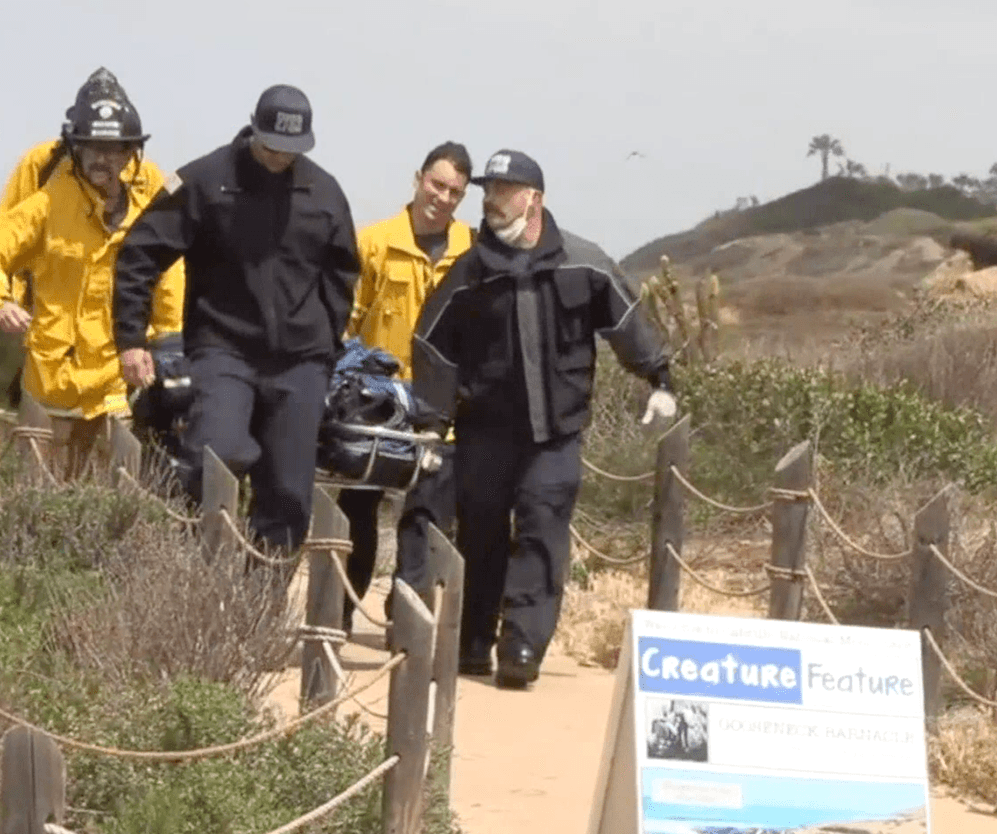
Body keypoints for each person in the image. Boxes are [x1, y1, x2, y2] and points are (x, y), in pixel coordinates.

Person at [413, 149, 677, 689]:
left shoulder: (584, 261)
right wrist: (432, 425)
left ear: (534, 199)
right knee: (481, 537)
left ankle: (522, 649)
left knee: (541, 531)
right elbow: (431, 343)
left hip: (556, 435)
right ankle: (472, 644)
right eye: (488, 191)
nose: (490, 200)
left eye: (503, 190)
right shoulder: (470, 272)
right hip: (485, 432)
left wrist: (660, 380)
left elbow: (628, 323)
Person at [113, 83, 361, 557]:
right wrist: (131, 338)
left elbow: (343, 273)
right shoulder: (206, 180)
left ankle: (258, 613)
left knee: (289, 492)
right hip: (223, 348)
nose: (280, 157)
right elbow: (140, 254)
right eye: (272, 146)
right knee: (218, 455)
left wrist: (325, 345)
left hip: (301, 361)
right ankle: (191, 573)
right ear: (254, 129)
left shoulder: (325, 192)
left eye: (292, 150)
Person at [0, 73, 186, 479]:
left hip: (116, 379)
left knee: (110, 490)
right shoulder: (49, 202)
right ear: (76, 148)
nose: (103, 159)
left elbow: (168, 281)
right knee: (37, 491)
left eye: (114, 149)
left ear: (129, 155)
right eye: (93, 149)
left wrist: (165, 345)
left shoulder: (148, 208)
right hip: (51, 378)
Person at [336, 141, 475, 633]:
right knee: (357, 515)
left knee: (426, 520)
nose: (443, 197)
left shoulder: (473, 253)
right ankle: (340, 616)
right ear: (418, 178)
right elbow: (345, 322)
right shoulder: (372, 242)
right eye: (437, 184)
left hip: (441, 411)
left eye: (455, 192)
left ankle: (406, 626)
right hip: (375, 408)